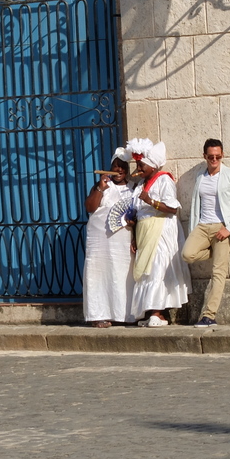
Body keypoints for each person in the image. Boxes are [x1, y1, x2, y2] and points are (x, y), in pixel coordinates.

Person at [181, 139, 230, 328]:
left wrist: (229, 228)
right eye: (210, 156)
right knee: (187, 254)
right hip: (203, 226)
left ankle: (209, 315)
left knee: (218, 272)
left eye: (218, 157)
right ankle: (218, 251)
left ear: (222, 156)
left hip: (223, 227)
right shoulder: (200, 177)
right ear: (204, 156)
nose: (214, 160)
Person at [127, 139, 189, 326]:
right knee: (146, 271)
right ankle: (150, 312)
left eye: (142, 164)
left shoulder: (164, 180)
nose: (138, 167)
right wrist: (134, 235)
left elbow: (172, 208)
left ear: (153, 166)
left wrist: (150, 201)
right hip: (145, 231)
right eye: (137, 164)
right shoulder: (140, 185)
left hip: (161, 231)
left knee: (157, 268)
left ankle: (158, 312)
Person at [83, 148, 135, 327]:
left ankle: (124, 315)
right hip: (100, 240)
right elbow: (90, 207)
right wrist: (100, 188)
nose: (119, 170)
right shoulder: (103, 186)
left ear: (127, 170)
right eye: (115, 166)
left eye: (122, 167)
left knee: (122, 275)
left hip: (122, 241)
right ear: (110, 168)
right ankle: (98, 315)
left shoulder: (133, 188)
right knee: (99, 275)